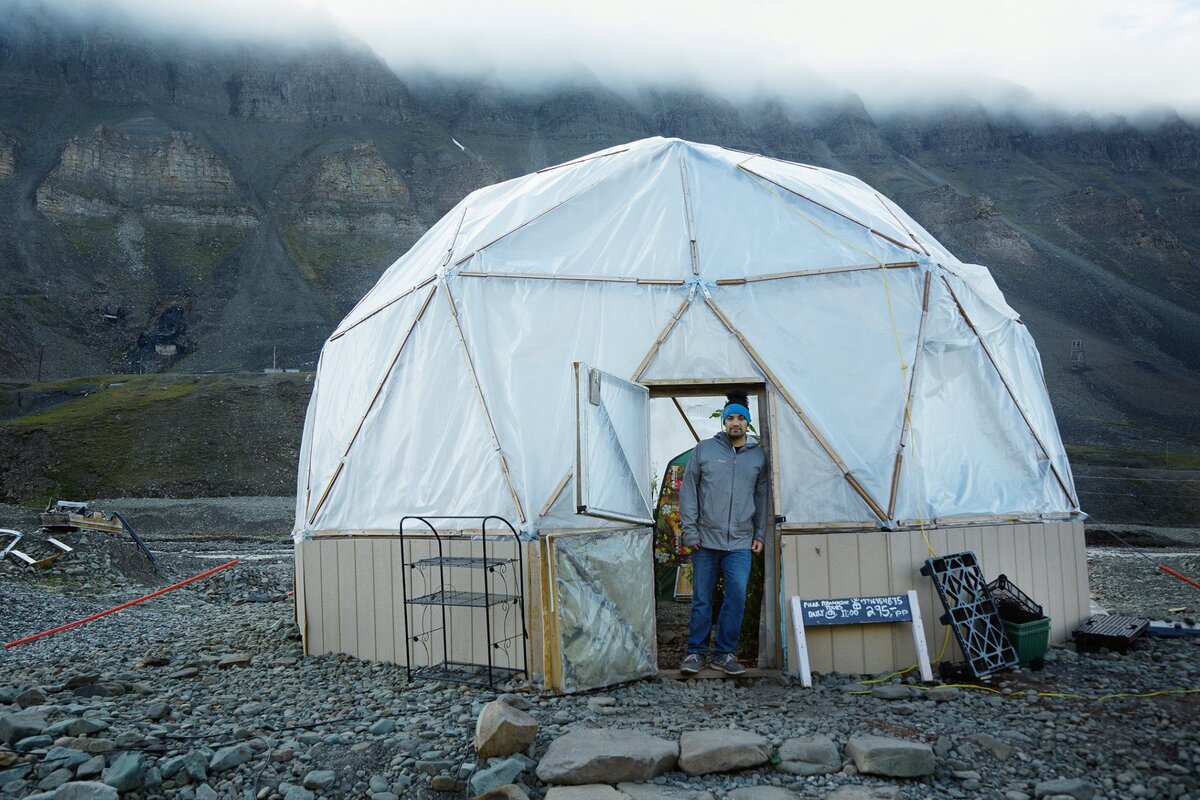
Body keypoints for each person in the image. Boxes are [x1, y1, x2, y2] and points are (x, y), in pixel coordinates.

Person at [678, 392, 768, 675]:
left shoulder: (758, 456)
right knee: (702, 599)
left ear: (748, 422)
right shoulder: (704, 450)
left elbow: (763, 496)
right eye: (730, 417)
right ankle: (695, 653)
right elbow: (689, 491)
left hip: (741, 540)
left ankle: (724, 653)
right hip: (706, 539)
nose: (735, 423)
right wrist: (690, 531)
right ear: (723, 421)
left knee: (737, 597)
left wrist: (761, 533)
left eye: (741, 418)